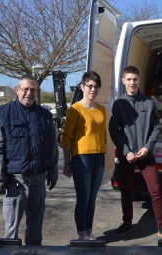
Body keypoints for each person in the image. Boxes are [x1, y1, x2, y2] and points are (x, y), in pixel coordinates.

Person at [109, 65, 162, 240]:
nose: (132, 82)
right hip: (127, 156)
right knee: (126, 190)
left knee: (155, 190)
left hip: (146, 155)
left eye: (135, 79)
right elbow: (114, 130)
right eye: (129, 79)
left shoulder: (149, 102)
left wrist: (148, 147)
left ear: (139, 80)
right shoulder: (119, 104)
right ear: (123, 81)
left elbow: (156, 128)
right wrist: (125, 151)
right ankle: (127, 224)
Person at [0, 75, 58, 246]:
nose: (29, 93)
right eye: (25, 89)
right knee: (11, 230)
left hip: (38, 181)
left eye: (33, 90)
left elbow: (52, 146)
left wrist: (53, 170)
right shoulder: (4, 113)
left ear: (37, 92)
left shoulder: (45, 116)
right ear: (17, 90)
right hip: (15, 183)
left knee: (35, 228)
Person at [62, 71, 106, 240]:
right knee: (83, 197)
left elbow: (103, 135)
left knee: (92, 198)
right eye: (89, 86)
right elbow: (67, 137)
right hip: (82, 158)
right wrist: (67, 162)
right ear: (82, 86)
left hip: (99, 157)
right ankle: (81, 234)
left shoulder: (101, 109)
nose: (92, 89)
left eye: (96, 86)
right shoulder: (75, 109)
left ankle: (89, 231)